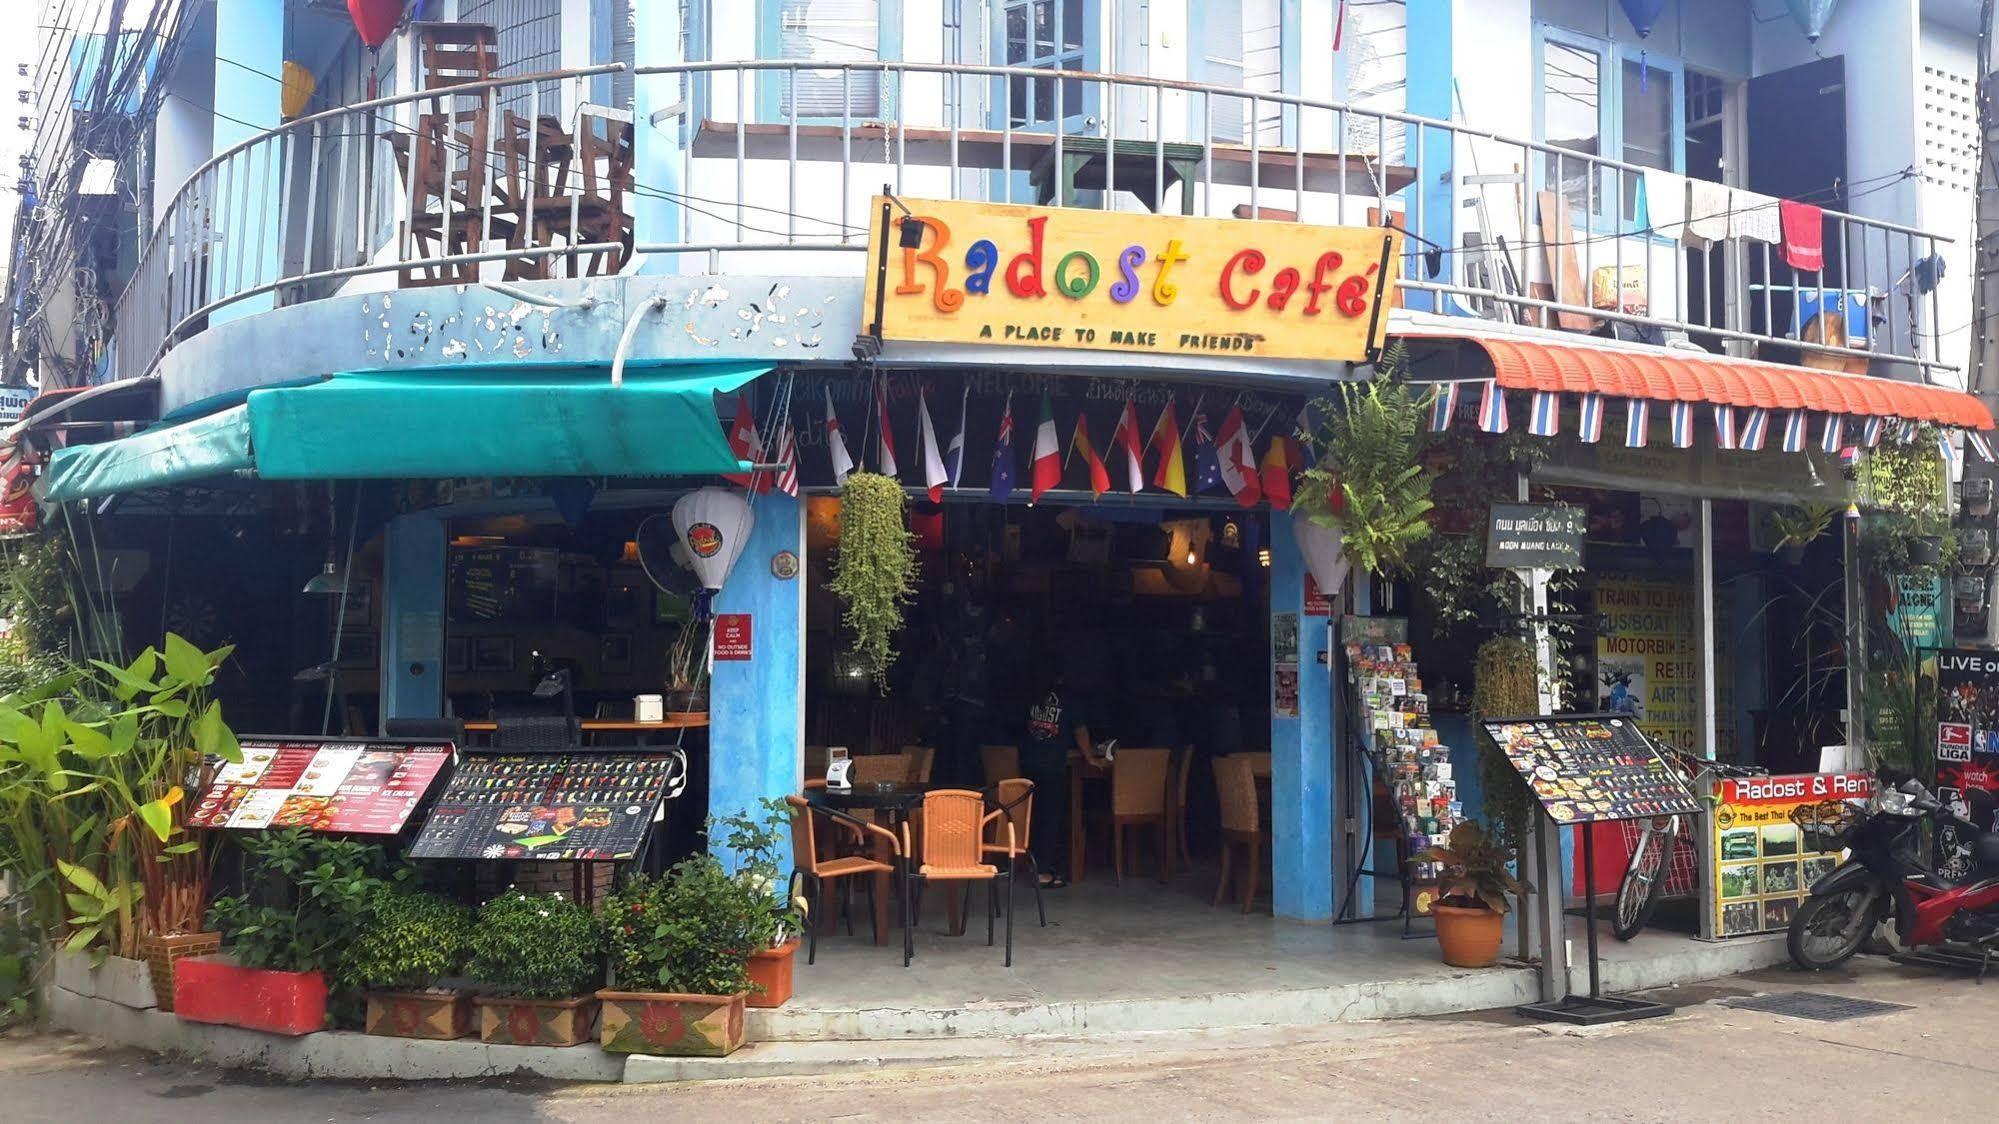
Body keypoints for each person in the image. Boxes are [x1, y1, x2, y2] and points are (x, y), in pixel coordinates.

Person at [1022, 674, 1092, 888]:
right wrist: (1089, 757)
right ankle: (1044, 871)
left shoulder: (1031, 694)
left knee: (1035, 817)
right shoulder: (1068, 698)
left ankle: (1033, 866)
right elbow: (1080, 730)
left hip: (1029, 764)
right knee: (1051, 818)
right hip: (1053, 766)